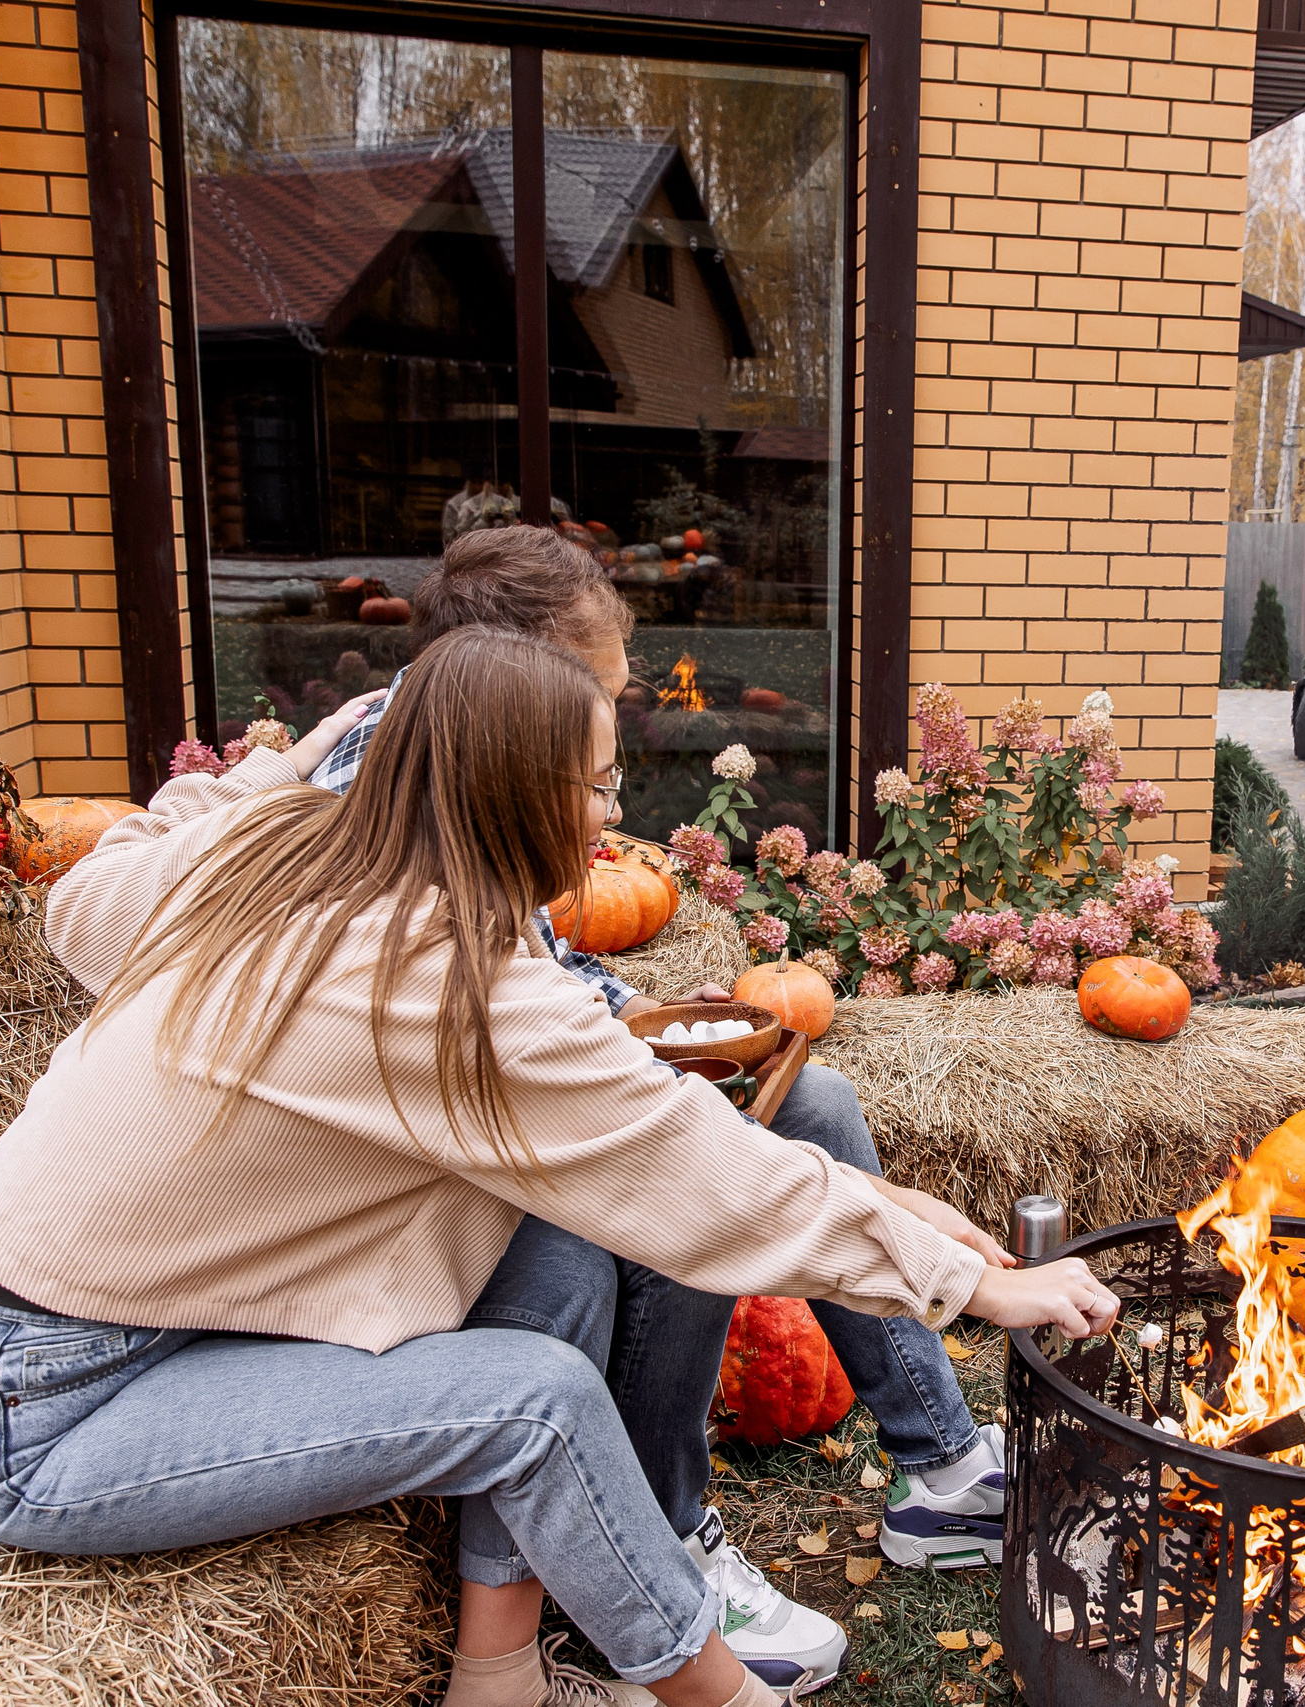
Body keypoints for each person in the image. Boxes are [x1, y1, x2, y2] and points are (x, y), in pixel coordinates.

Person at [0, 629, 1121, 1707]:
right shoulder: (443, 985)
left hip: (109, 1325)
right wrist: (974, 1288)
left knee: (552, 1247)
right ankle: (714, 1692)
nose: (609, 816)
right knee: (534, 1403)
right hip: (49, 1408)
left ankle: (497, 1674)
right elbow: (689, 1174)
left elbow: (85, 898)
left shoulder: (296, 847)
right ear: (511, 790)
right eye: (596, 784)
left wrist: (283, 767)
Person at [314, 530, 1019, 1697]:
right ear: (520, 685)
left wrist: (624, 1007)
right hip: (408, 1186)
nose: (631, 700)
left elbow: (522, 966)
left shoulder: (456, 758)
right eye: (607, 682)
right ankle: (661, 1532)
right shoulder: (388, 794)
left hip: (483, 1109)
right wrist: (953, 1260)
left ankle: (939, 1467)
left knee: (815, 1098)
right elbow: (468, 1002)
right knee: (668, 1182)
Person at [442, 461, 492, 552]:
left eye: (480, 483)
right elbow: (448, 539)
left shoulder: (496, 503)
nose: (477, 487)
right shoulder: (454, 505)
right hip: (462, 553)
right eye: (474, 483)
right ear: (468, 482)